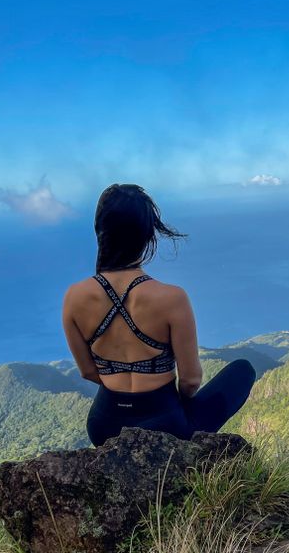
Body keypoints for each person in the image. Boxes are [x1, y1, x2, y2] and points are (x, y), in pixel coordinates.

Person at [61, 183, 256, 446]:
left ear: (100, 231)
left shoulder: (73, 298)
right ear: (148, 235)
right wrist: (170, 407)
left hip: (103, 425)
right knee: (243, 371)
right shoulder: (172, 298)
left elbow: (87, 372)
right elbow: (190, 380)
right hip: (165, 425)